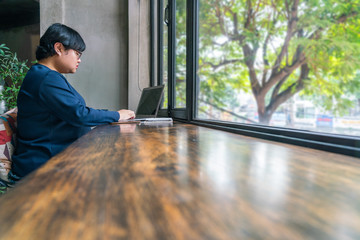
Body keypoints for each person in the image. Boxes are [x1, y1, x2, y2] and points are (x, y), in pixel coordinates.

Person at [8, 23, 135, 183]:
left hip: (56, 160)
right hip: (42, 168)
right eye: (77, 53)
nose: (79, 60)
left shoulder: (44, 76)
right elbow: (79, 114)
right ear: (59, 48)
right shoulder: (46, 79)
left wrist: (113, 116)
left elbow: (77, 111)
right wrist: (117, 115)